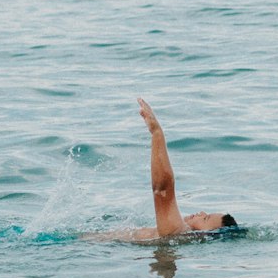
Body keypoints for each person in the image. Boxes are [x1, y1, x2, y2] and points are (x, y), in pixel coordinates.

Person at [84, 98, 239, 243]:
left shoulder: (177, 232)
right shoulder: (176, 235)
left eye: (206, 219)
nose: (202, 212)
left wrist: (157, 133)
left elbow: (163, 189)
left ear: (206, 235)